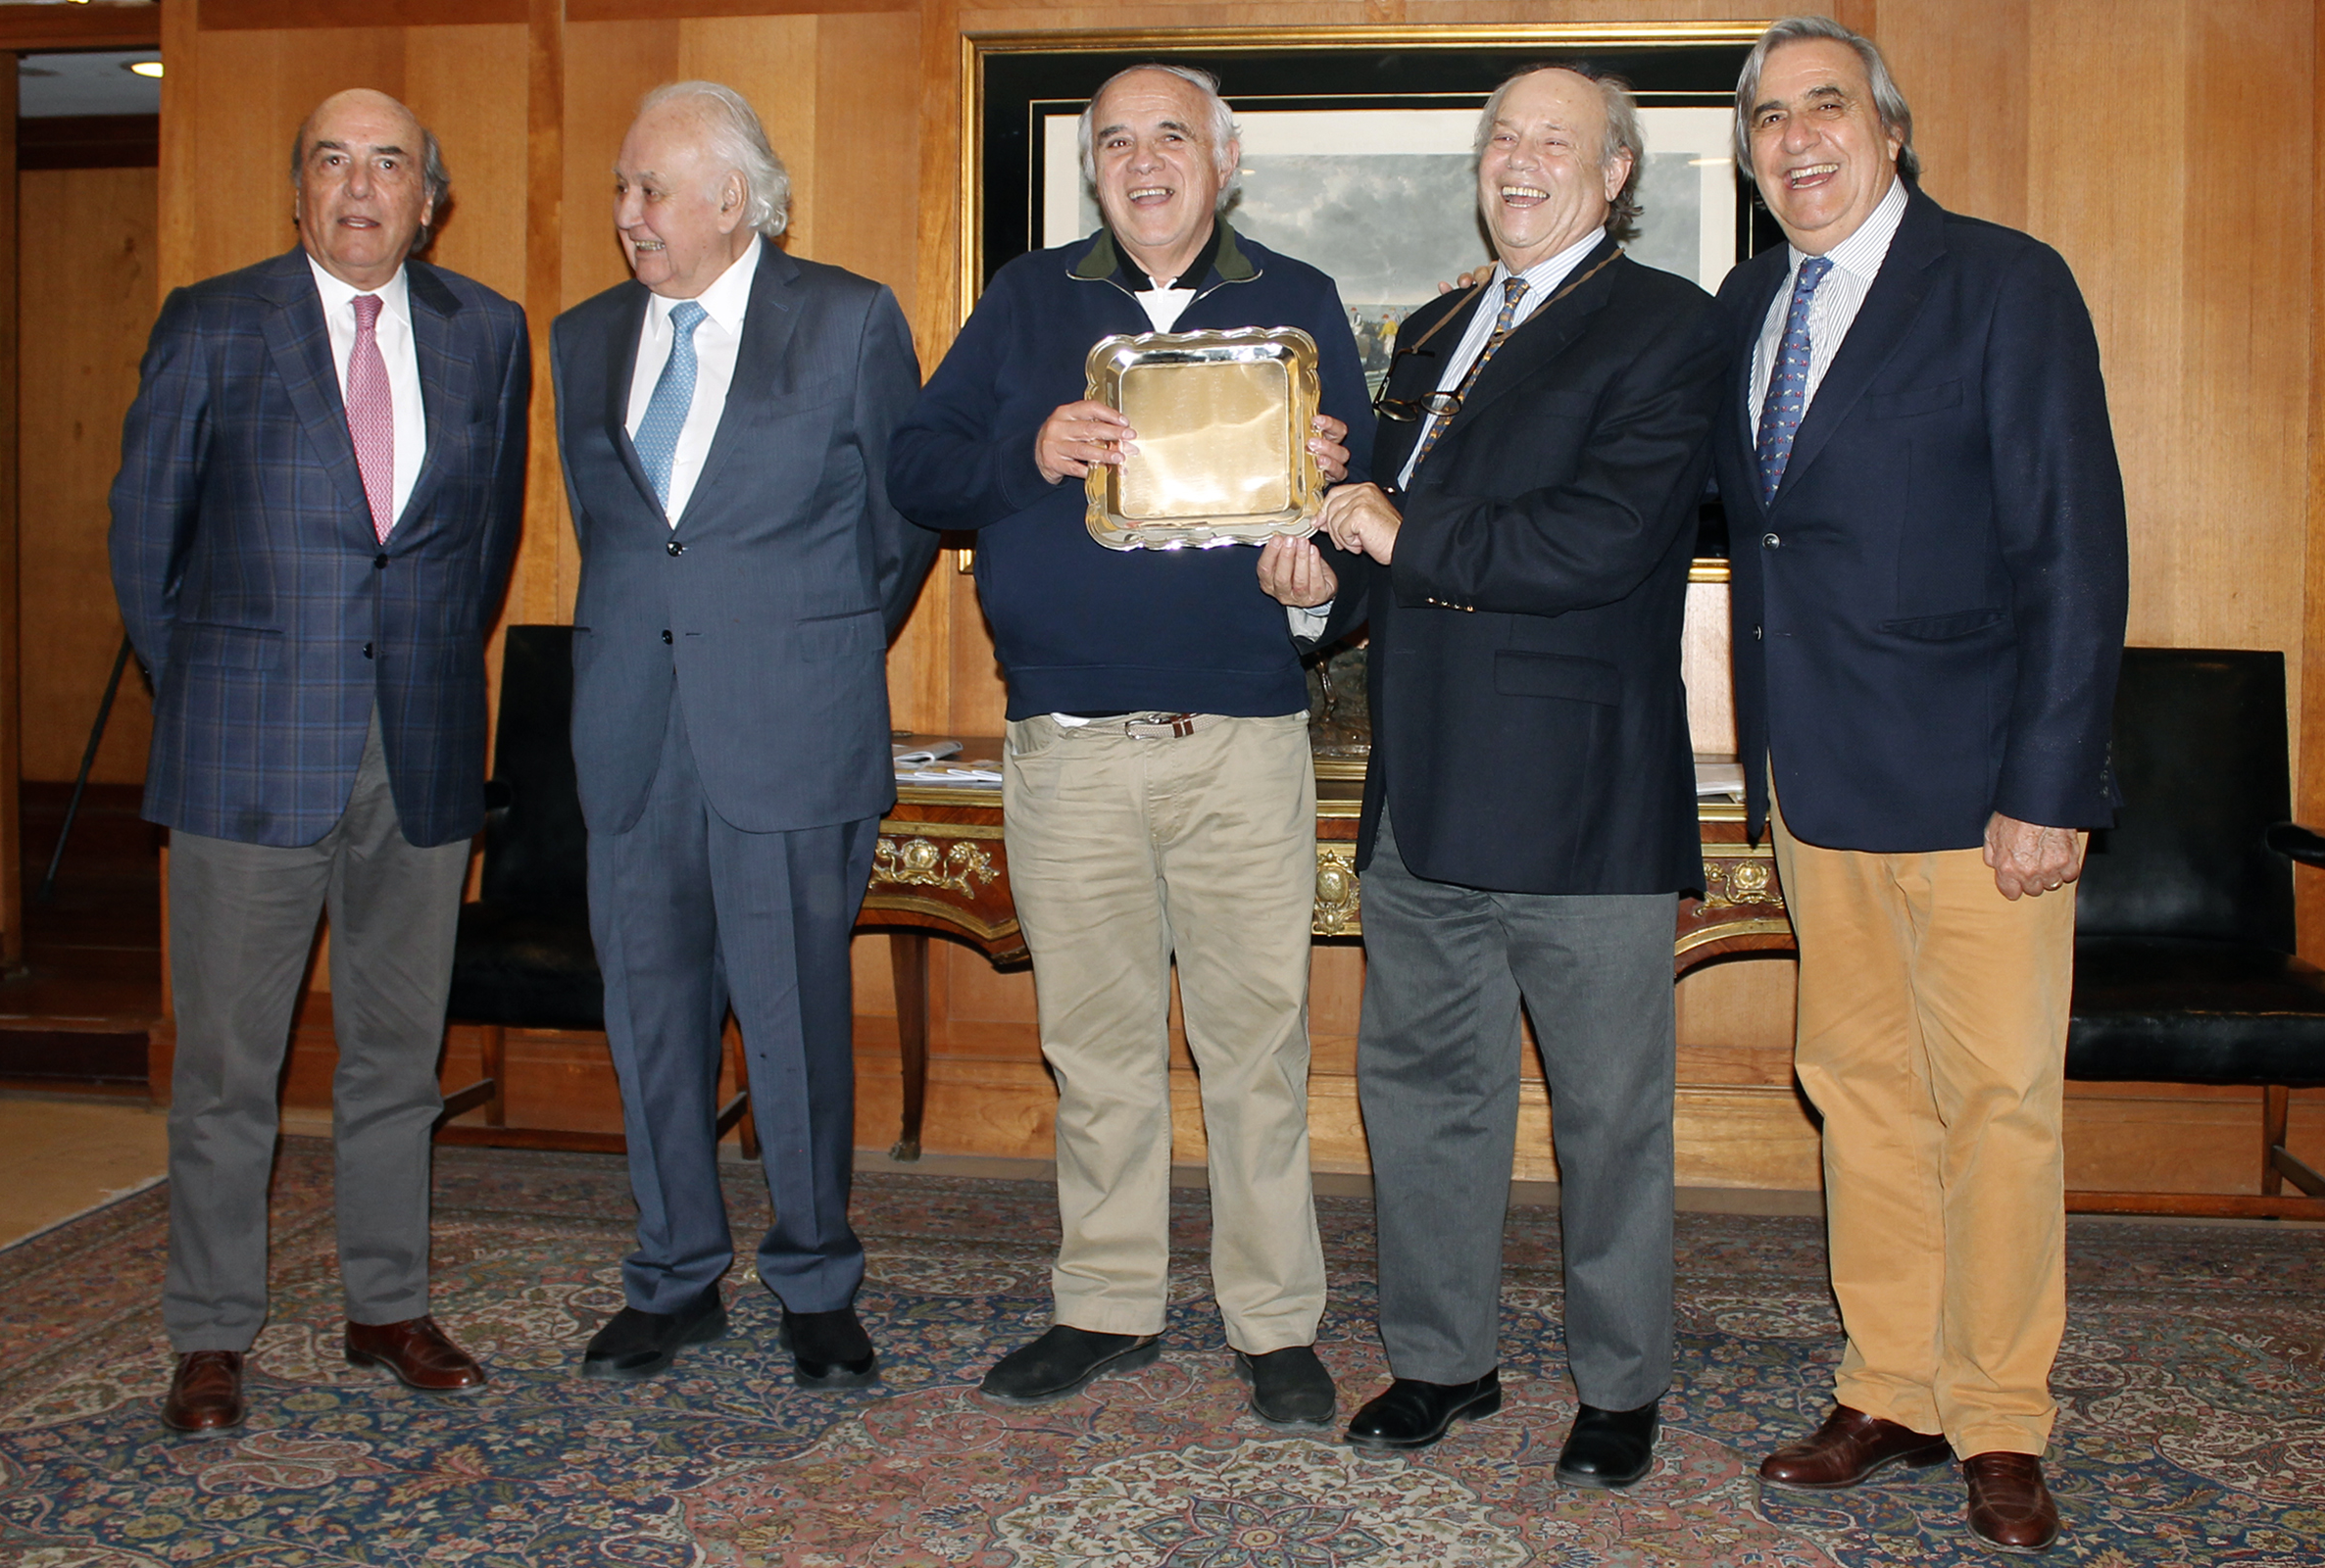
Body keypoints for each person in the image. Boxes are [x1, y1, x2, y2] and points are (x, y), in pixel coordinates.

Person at [888, 63, 1371, 1429]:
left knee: (1255, 1048)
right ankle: (1105, 1304)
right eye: (1115, 141)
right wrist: (1029, 447)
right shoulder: (1028, 299)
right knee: (1093, 1046)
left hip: (1241, 738)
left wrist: (1319, 589)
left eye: (1171, 136)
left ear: (1224, 163)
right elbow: (915, 469)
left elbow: (1361, 510)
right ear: (1091, 169)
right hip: (1068, 745)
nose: (1143, 161)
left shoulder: (1301, 303)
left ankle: (1275, 1322)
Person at [1263, 63, 1723, 1487]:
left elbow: (1605, 538)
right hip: (1423, 795)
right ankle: (1440, 1362)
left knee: (1608, 1116)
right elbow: (1384, 542)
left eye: (1554, 142)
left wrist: (1394, 534)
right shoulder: (1435, 327)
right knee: (1420, 1095)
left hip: (1582, 797)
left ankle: (1622, 1386)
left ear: (1615, 173)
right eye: (1502, 139)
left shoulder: (1669, 326)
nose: (1519, 161)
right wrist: (1318, 583)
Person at [1712, 18, 2128, 1551]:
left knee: (1999, 1105)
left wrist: (2052, 783)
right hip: (1818, 781)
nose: (1797, 137)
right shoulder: (1749, 303)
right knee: (1861, 1090)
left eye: (1825, 105)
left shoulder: (2005, 284)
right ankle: (1889, 1384)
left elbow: (2074, 549)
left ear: (1890, 131)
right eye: (1768, 118)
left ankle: (2002, 1416)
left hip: (1978, 788)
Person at [111, 88, 530, 1434]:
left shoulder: (488, 333)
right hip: (245, 752)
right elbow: (146, 542)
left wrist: (418, 671)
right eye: (332, 161)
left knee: (398, 1056)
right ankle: (211, 1332)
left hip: (420, 746)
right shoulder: (212, 322)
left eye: (389, 163)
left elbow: (481, 547)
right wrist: (214, 694)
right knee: (228, 1068)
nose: (360, 186)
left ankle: (387, 1306)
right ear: (296, 190)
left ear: (429, 200)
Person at [552, 80, 936, 1388]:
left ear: (732, 198)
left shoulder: (846, 319)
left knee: (794, 1020)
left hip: (786, 727)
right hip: (630, 732)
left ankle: (816, 1280)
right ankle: (673, 1277)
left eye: (650, 189)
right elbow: (615, 535)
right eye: (621, 188)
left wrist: (797, 646)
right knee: (650, 1021)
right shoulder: (584, 337)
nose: (628, 212)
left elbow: (899, 526)